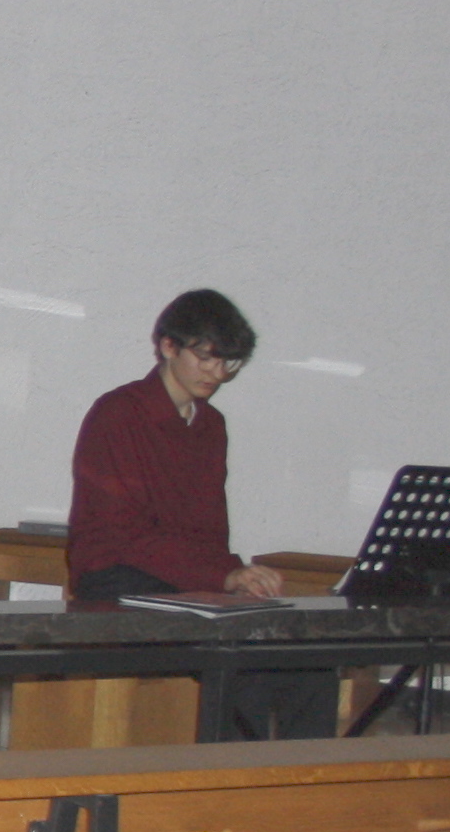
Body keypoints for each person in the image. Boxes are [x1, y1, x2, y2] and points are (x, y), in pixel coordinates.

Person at [68, 291, 325, 739]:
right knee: (241, 665)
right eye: (206, 358)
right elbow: (124, 535)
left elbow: (209, 530)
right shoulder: (119, 412)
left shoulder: (211, 425)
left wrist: (237, 577)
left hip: (182, 581)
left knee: (310, 664)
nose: (217, 373)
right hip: (117, 580)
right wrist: (222, 577)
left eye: (229, 363)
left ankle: (305, 780)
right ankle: (224, 778)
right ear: (168, 346)